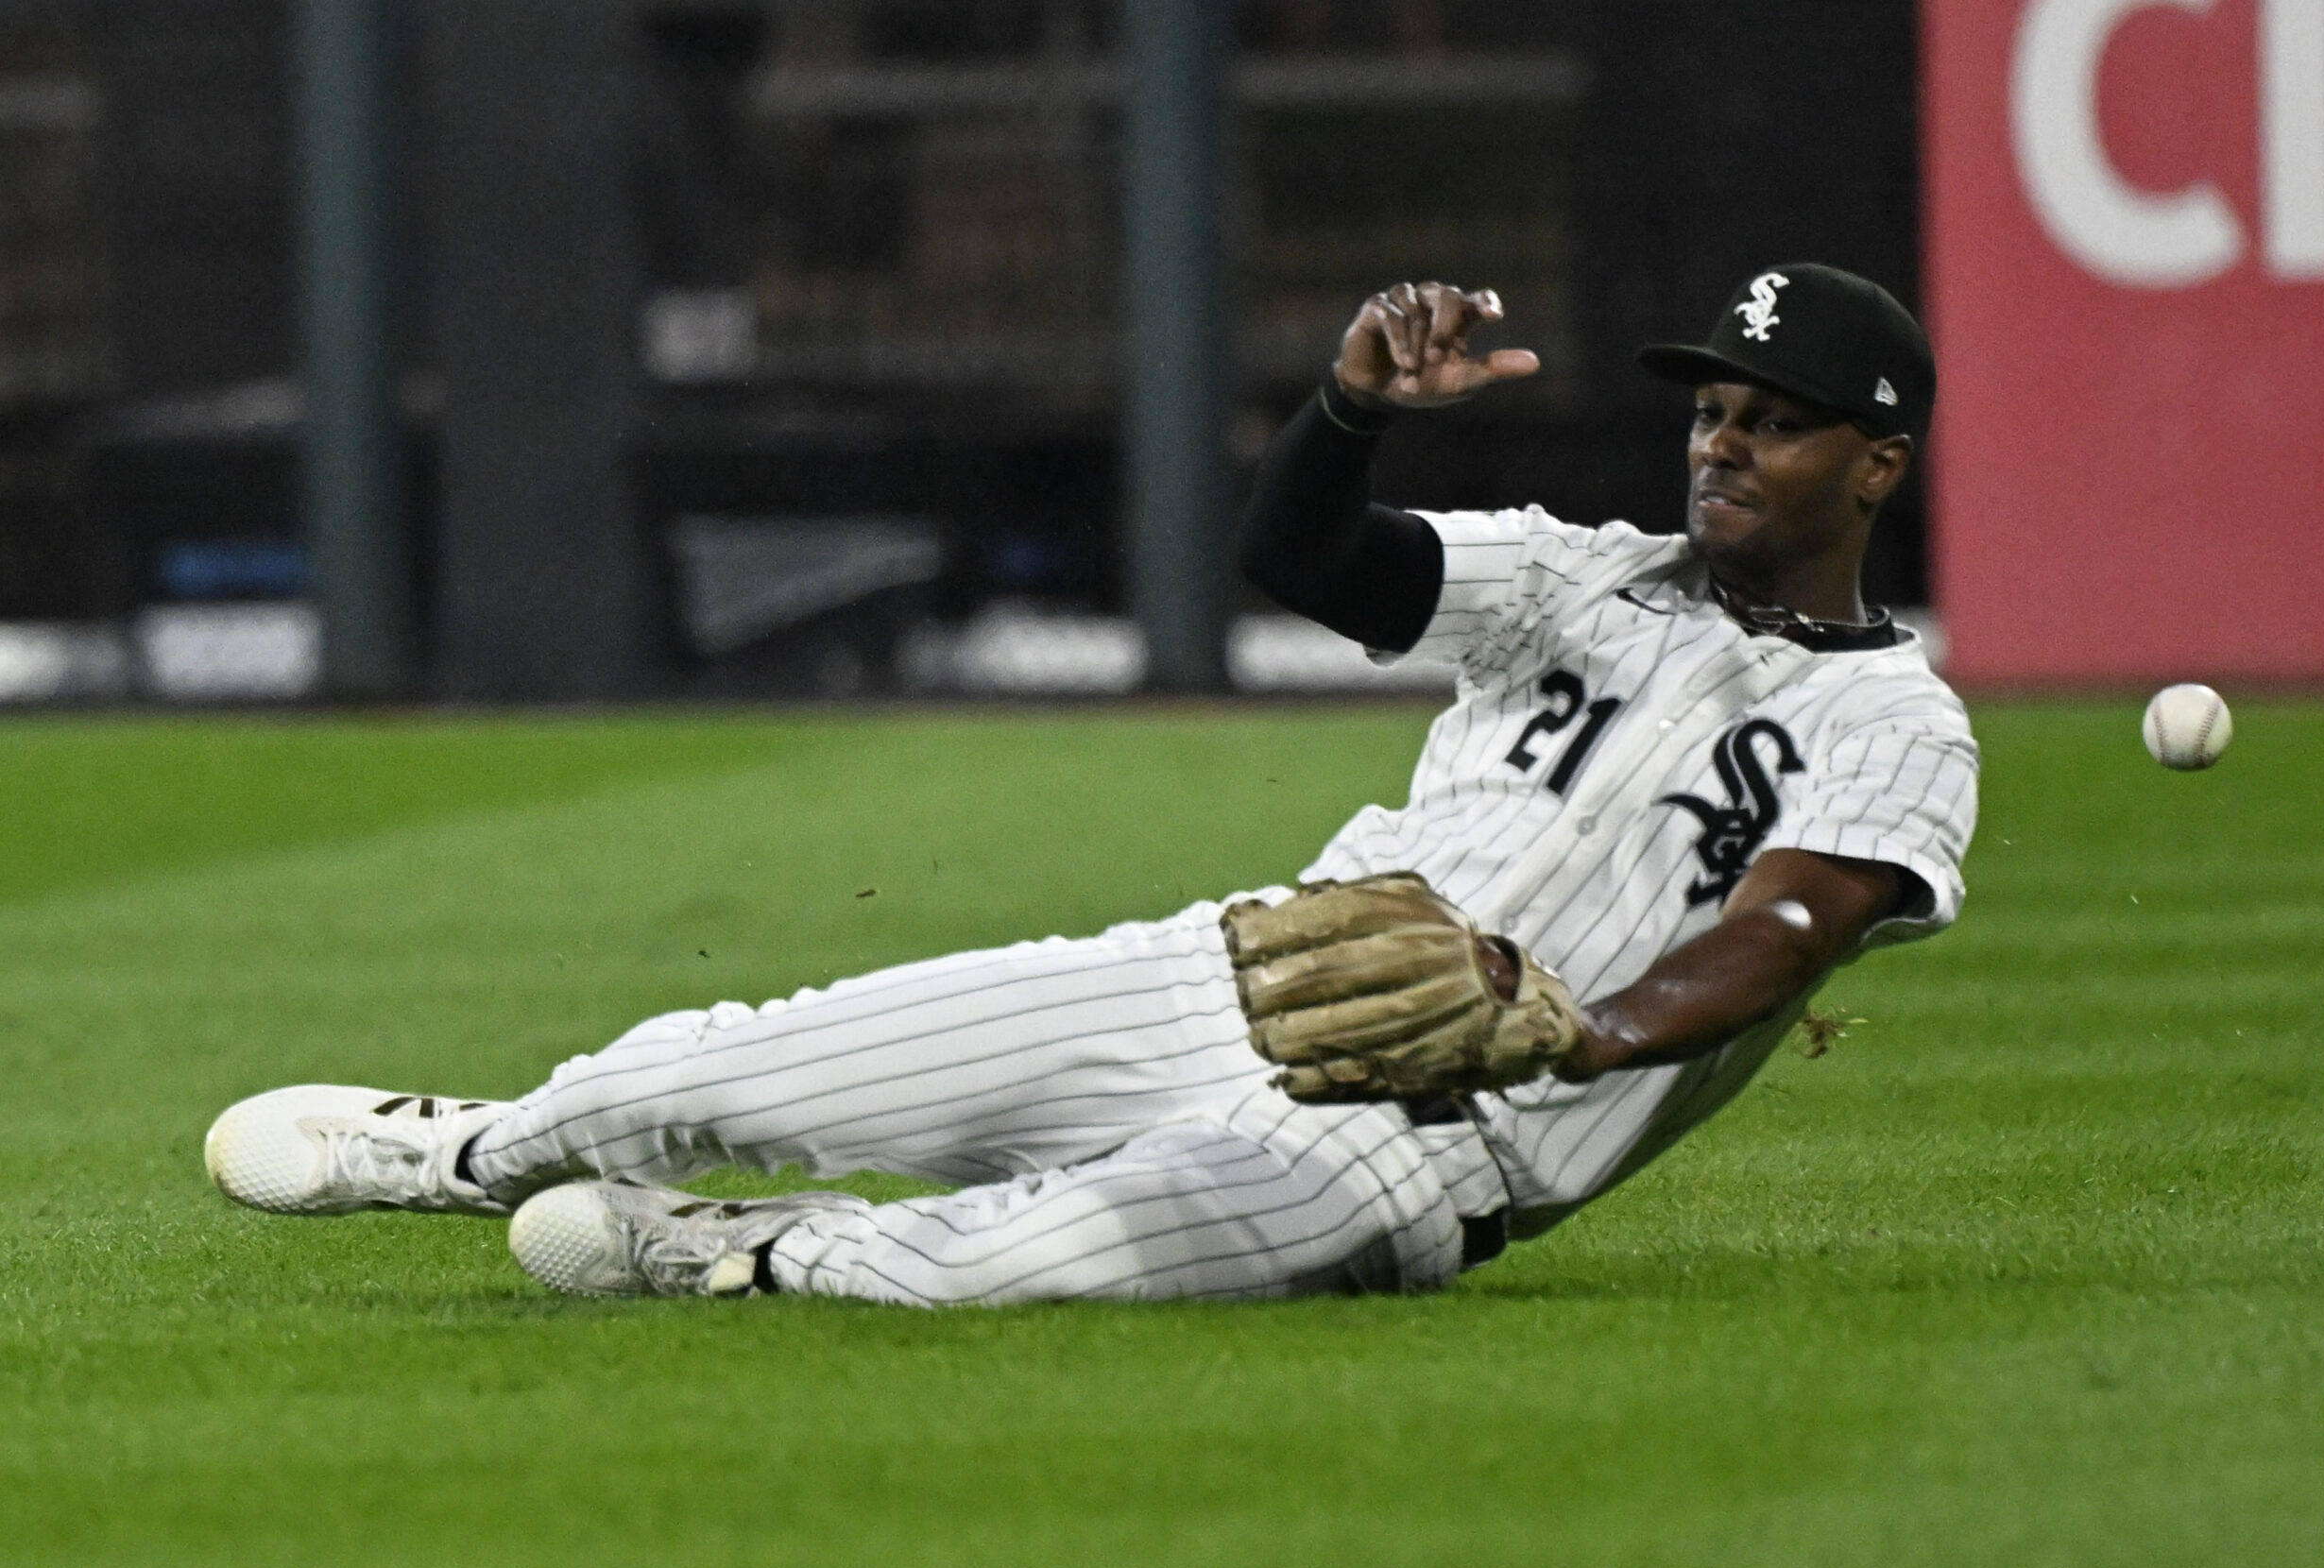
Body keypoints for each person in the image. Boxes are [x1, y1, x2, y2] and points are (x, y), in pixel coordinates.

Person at [205, 264, 1976, 1305]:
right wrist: (1351, 411)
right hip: (1217, 976)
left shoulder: (1901, 727)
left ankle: (732, 1256)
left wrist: (1570, 1035)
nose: (1725, 440)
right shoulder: (1575, 574)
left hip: (1417, 1158)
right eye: (1712, 408)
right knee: (756, 1054)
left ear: (1876, 462)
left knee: (986, 1269)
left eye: (1779, 417)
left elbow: (1782, 940)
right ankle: (458, 1149)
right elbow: (1312, 558)